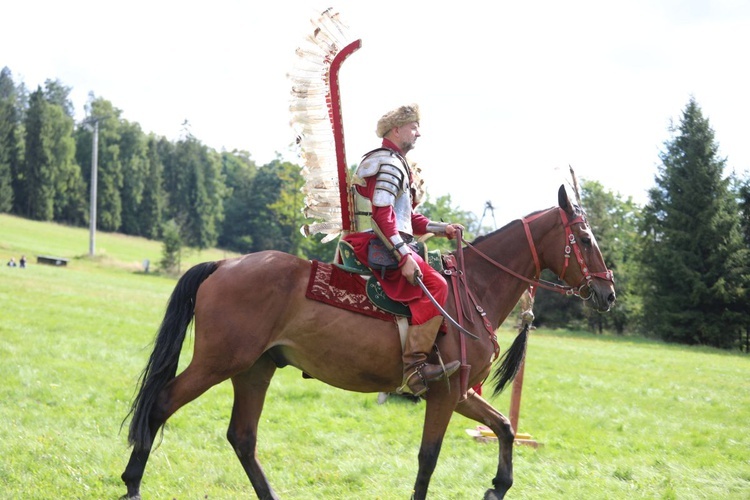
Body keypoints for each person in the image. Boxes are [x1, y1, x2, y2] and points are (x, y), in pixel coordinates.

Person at [343, 104, 462, 397]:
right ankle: (414, 368)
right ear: (397, 130)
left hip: (388, 239)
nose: (418, 133)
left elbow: (406, 219)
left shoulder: (397, 162)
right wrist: (405, 256)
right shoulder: (389, 164)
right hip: (376, 243)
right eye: (413, 127)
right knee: (436, 284)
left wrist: (440, 228)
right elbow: (381, 216)